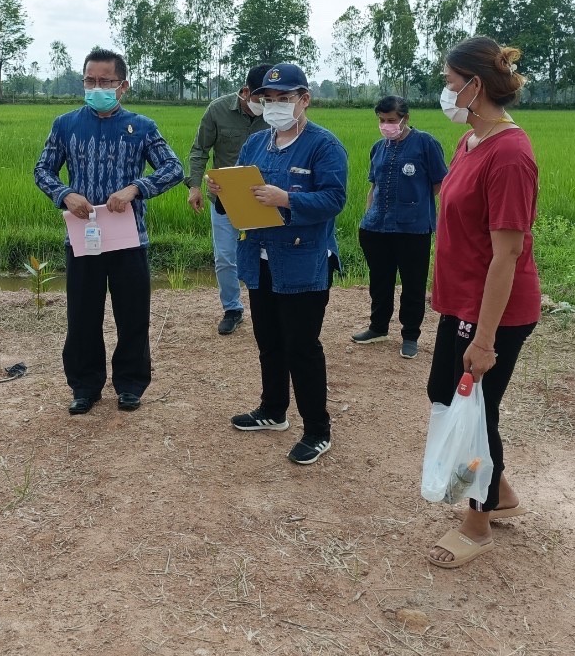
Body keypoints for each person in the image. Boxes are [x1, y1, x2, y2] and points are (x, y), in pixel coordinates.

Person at [425, 37, 541, 569]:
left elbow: (508, 254)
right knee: (450, 396)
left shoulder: (511, 153)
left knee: (477, 410)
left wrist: (487, 339)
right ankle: (503, 492)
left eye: (451, 83)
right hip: (463, 303)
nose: (446, 93)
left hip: (493, 311)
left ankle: (478, 519)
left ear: (476, 85)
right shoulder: (471, 142)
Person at [209, 62, 347, 465]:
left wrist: (286, 199)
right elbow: (239, 199)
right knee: (268, 342)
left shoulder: (324, 145)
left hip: (303, 262)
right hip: (260, 258)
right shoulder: (255, 144)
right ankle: (273, 410)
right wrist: (220, 191)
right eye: (267, 99)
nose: (274, 106)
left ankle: (317, 429)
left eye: (284, 99)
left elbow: (334, 200)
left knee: (301, 347)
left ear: (304, 99)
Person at [33, 48, 185, 415]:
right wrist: (65, 194)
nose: (96, 87)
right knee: (82, 315)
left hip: (129, 239)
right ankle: (85, 386)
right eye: (90, 80)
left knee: (132, 314)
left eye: (105, 81)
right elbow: (43, 171)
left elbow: (173, 168)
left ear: (123, 86)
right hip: (82, 239)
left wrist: (136, 188)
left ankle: (130, 384)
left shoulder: (143, 127)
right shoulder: (66, 125)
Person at [351, 96, 448, 359]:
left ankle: (410, 336)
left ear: (405, 118)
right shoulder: (378, 148)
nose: (386, 125)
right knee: (379, 281)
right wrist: (368, 215)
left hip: (413, 229)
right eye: (382, 121)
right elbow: (374, 185)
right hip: (377, 228)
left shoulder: (425, 143)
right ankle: (378, 327)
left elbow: (441, 183)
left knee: (413, 285)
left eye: (391, 120)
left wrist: (416, 203)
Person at [186, 65, 272, 335]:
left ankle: (269, 306)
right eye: (263, 99)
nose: (268, 105)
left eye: (273, 99)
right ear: (246, 92)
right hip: (224, 196)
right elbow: (200, 149)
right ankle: (232, 309)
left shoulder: (277, 116)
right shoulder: (218, 109)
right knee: (225, 256)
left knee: (266, 255)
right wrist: (195, 186)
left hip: (265, 197)